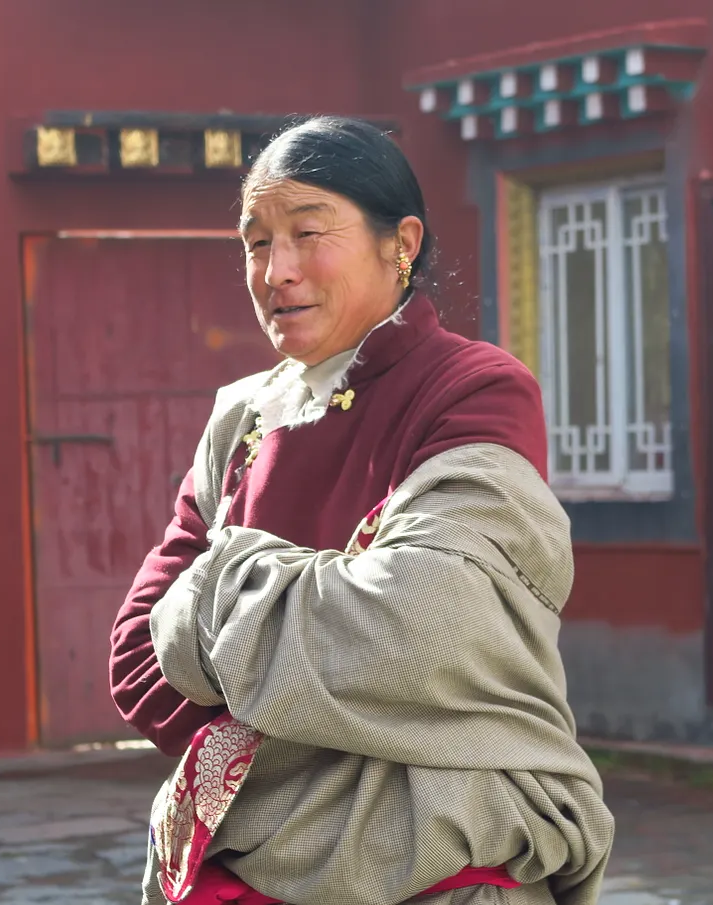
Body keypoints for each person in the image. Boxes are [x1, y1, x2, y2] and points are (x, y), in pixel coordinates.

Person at [109, 116, 613, 905]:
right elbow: (138, 664)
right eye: (254, 241)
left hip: (437, 880)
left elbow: (422, 627)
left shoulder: (471, 391)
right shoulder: (240, 420)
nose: (276, 270)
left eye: (308, 232)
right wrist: (353, 676)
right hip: (247, 876)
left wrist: (222, 585)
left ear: (400, 243)